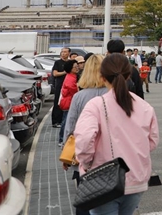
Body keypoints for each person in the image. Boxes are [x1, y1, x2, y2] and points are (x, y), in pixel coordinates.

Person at [75, 53, 159, 215]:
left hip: (102, 179)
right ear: (129, 75)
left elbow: (84, 140)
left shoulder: (95, 105)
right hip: (136, 178)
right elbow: (152, 142)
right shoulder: (144, 106)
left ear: (102, 77)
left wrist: (86, 164)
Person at [62, 54, 107, 215]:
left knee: (84, 201)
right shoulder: (113, 93)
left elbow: (71, 128)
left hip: (84, 157)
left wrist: (66, 153)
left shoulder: (79, 97)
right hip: (110, 156)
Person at [58, 59, 80, 146]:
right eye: (75, 67)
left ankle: (62, 139)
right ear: (70, 68)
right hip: (68, 102)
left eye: (77, 66)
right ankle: (61, 139)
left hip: (68, 101)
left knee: (66, 120)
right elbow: (74, 90)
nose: (77, 68)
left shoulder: (71, 76)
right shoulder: (70, 78)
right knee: (66, 121)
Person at [52, 47, 71, 128]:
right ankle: (55, 121)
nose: (63, 53)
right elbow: (55, 73)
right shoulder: (57, 63)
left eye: (65, 52)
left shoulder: (70, 62)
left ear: (69, 53)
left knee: (66, 103)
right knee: (57, 103)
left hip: (68, 86)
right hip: (59, 85)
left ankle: (64, 120)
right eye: (62, 52)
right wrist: (64, 72)